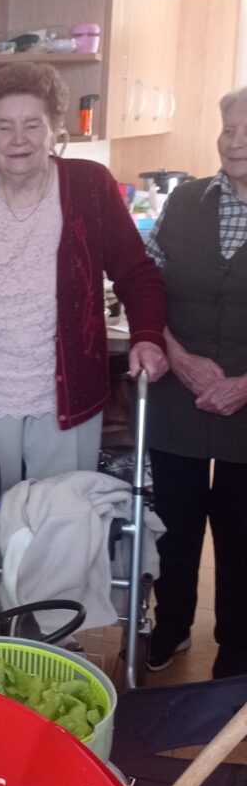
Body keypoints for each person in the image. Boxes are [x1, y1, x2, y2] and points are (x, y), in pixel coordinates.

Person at [0, 61, 168, 497]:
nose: (18, 139)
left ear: (54, 130)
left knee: (60, 521)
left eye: (33, 124)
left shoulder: (90, 186)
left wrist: (147, 336)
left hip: (66, 399)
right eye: (4, 126)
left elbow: (137, 273)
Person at [144, 86, 247, 679]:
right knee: (175, 524)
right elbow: (144, 286)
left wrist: (243, 385)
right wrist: (177, 357)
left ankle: (236, 643)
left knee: (241, 530)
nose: (235, 142)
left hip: (246, 404)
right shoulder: (184, 201)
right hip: (177, 395)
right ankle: (172, 624)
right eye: (228, 129)